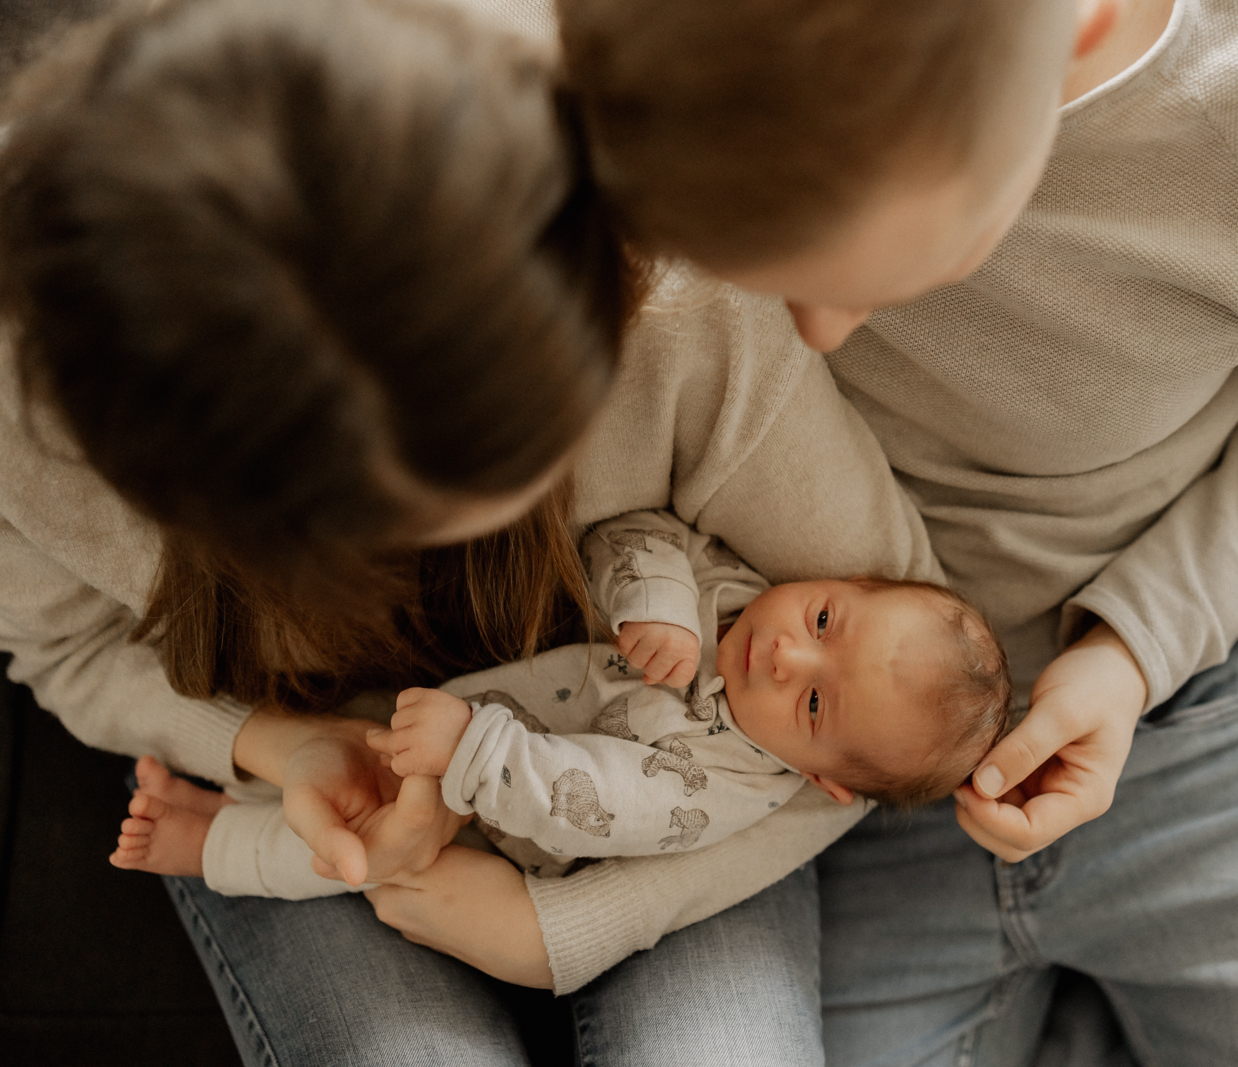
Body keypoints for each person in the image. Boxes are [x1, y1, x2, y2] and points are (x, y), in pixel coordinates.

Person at [520, 0, 1238, 1063]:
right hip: (805, 764)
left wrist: (1130, 654)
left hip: (1204, 703)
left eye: (869, 268)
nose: (817, 335)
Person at [0, 0, 945, 1061]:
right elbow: (66, 642)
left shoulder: (679, 303)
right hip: (303, 799)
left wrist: (561, 927)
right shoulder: (31, 405)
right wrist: (279, 743)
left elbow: (881, 719)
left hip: (670, 772)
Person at [109, 509, 1008, 892]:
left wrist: (473, 752)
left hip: (494, 817)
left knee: (350, 855)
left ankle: (210, 844)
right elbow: (641, 531)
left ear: (827, 783)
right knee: (342, 751)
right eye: (824, 618)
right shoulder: (739, 596)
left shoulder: (724, 783)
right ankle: (239, 778)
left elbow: (597, 799)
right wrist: (654, 599)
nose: (784, 654)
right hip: (476, 697)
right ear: (840, 582)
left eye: (814, 705)